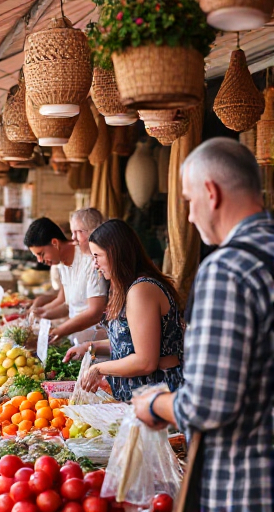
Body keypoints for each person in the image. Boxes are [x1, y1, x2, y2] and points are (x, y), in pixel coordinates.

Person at [132, 138, 274, 511]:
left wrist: (154, 403)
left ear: (211, 193)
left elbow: (209, 405)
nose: (190, 217)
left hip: (245, 487)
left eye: (188, 201)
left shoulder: (226, 270)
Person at [67, 219, 184, 402]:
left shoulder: (141, 290)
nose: (94, 264)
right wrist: (92, 347)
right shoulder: (128, 288)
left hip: (157, 399)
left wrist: (98, 368)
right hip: (139, 399)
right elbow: (129, 343)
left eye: (97, 256)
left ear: (114, 253)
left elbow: (145, 361)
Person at [24, 217, 108, 343]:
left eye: (41, 254)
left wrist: (59, 331)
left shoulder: (90, 261)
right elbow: (68, 303)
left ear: (55, 243)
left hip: (96, 341)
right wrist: (41, 313)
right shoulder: (61, 264)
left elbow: (95, 312)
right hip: (76, 338)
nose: (40, 261)